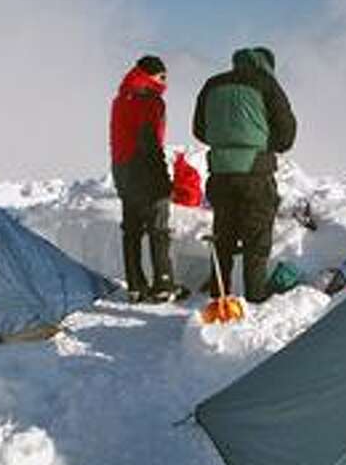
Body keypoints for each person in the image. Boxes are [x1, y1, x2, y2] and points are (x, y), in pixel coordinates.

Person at [192, 46, 297, 303]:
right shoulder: (267, 84)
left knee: (223, 236)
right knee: (256, 239)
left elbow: (199, 129)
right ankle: (255, 299)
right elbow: (286, 135)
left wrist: (226, 142)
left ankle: (219, 295)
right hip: (255, 172)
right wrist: (258, 142)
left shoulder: (212, 84)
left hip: (220, 172)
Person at [109, 54, 183, 303]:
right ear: (151, 75)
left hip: (123, 169)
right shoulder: (150, 101)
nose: (165, 82)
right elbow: (150, 143)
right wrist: (163, 179)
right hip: (145, 170)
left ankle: (135, 286)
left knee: (131, 230)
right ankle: (163, 284)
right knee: (158, 229)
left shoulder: (121, 98)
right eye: (162, 76)